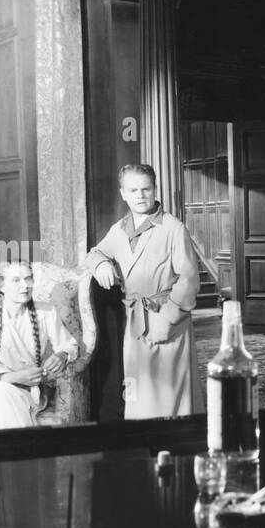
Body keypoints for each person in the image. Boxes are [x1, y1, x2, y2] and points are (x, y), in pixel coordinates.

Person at [84, 164, 200, 418]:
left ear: (155, 189)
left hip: (168, 320)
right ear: (123, 193)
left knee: (170, 397)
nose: (140, 195)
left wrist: (168, 319)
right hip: (135, 323)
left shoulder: (173, 228)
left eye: (146, 189)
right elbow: (95, 253)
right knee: (139, 395)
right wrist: (102, 263)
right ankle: (146, 446)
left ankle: (174, 447)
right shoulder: (120, 229)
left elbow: (189, 279)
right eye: (133, 190)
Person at [0, 261, 77, 429]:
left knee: (3, 393)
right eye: (16, 280)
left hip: (27, 390)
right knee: (0, 391)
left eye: (28, 278)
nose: (25, 285)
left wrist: (63, 355)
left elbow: (69, 345)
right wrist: (11, 377)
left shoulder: (47, 312)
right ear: (2, 286)